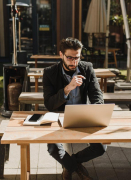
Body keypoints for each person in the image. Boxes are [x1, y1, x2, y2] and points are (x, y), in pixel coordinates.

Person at [43, 37, 107, 180]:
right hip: (59, 117)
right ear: (61, 55)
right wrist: (67, 89)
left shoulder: (87, 68)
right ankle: (74, 166)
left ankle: (70, 164)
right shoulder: (50, 72)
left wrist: (97, 110)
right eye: (70, 58)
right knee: (53, 148)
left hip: (82, 115)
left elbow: (97, 94)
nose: (74, 62)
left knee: (100, 148)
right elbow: (49, 104)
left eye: (76, 58)